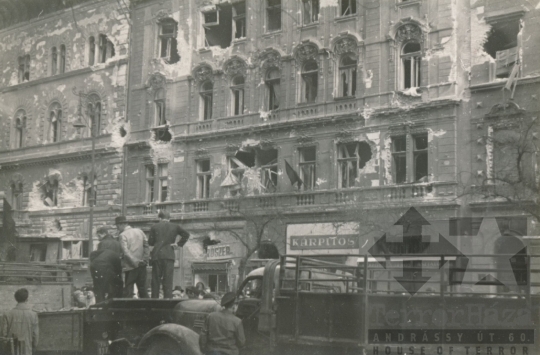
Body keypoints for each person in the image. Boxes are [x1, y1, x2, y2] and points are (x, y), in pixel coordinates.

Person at [149, 210, 190, 299]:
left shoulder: (154, 227)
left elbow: (151, 242)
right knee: (168, 280)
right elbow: (186, 234)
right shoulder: (175, 226)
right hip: (169, 255)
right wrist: (178, 244)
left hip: (157, 255)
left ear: (160, 218)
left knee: (156, 280)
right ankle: (167, 300)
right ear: (169, 218)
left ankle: (154, 301)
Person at [116, 215, 150, 298]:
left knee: (129, 290)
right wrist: (145, 260)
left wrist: (135, 262)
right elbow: (146, 246)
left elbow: (126, 252)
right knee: (143, 289)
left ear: (121, 224)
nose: (117, 229)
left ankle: (129, 310)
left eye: (117, 226)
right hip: (142, 265)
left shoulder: (122, 235)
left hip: (130, 266)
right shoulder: (140, 231)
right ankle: (147, 309)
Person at [0, 288, 39, 355]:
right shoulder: (33, 315)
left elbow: (3, 335)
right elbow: (35, 335)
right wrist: (33, 347)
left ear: (16, 299)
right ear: (27, 299)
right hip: (27, 349)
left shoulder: (7, 314)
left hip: (11, 350)